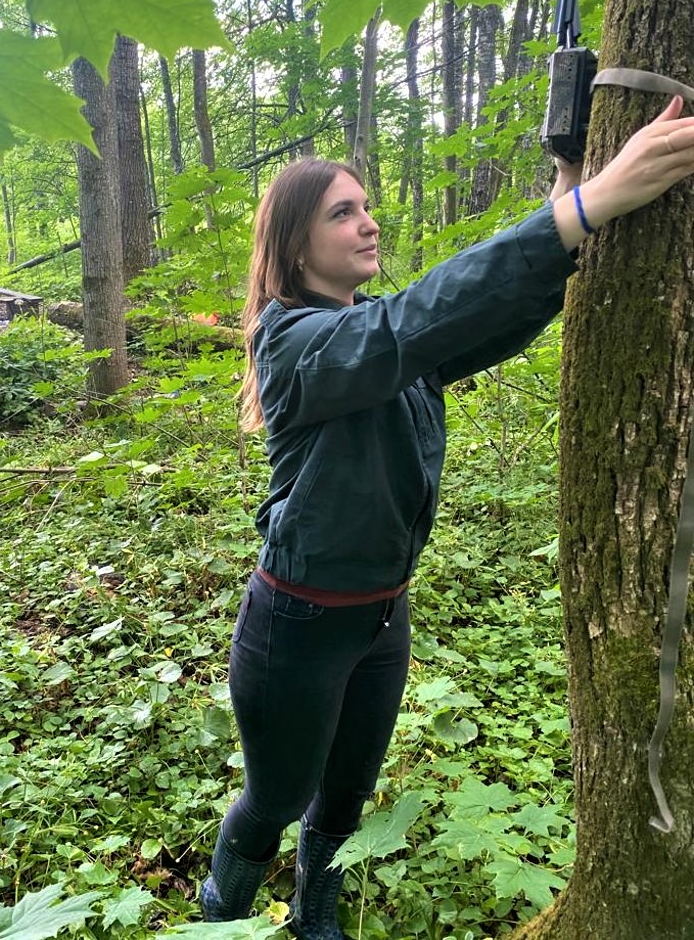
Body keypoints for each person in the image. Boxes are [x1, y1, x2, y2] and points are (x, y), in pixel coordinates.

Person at [200, 96, 694, 937]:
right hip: (297, 624)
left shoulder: (376, 333)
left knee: (347, 793)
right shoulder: (290, 342)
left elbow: (478, 319)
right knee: (277, 796)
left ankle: (316, 917)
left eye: (365, 206)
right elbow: (415, 321)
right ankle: (220, 916)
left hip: (381, 614)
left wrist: (567, 200)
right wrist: (586, 204)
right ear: (294, 244)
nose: (367, 223)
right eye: (341, 212)